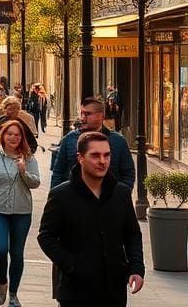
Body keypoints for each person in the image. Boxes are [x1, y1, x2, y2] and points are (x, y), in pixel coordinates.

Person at [38, 131, 144, 306]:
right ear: (80, 157)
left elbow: (132, 234)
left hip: (113, 292)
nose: (102, 161)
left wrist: (136, 269)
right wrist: (73, 265)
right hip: (75, 293)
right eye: (95, 155)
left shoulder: (121, 194)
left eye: (107, 155)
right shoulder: (61, 195)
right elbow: (46, 237)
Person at [0, 121, 41, 307]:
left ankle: (13, 293)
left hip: (22, 211)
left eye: (17, 135)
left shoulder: (28, 158)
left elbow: (35, 183)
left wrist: (23, 171)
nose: (13, 138)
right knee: (0, 249)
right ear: (2, 136)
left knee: (17, 253)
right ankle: (2, 283)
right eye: (10, 134)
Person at [50, 97, 134, 189]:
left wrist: (119, 197)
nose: (82, 118)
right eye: (81, 114)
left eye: (87, 114)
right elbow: (58, 172)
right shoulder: (69, 139)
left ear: (101, 116)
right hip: (74, 200)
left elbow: (128, 173)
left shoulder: (118, 141)